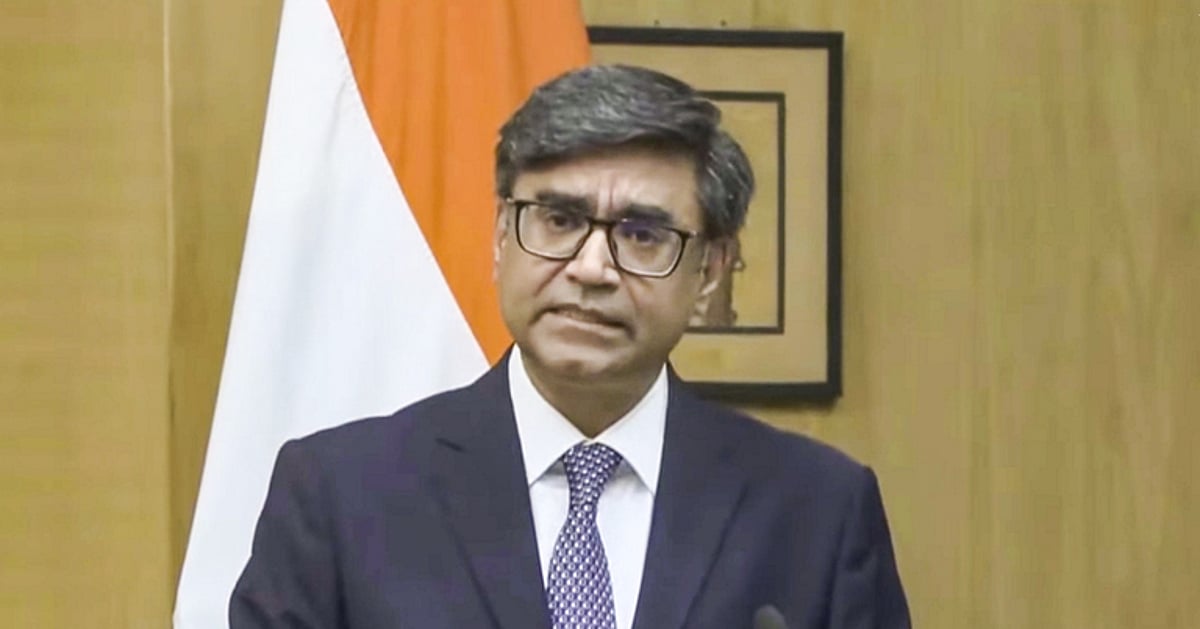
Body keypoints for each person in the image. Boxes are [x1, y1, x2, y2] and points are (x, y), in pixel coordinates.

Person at [230, 64, 910, 629]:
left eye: (642, 235)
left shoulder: (818, 510)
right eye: (558, 219)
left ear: (709, 272)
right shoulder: (340, 494)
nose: (591, 268)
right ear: (501, 238)